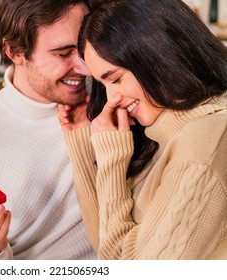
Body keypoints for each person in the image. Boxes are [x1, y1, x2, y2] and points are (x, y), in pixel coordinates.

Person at [58, 0, 227, 259]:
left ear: (157, 55)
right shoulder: (161, 135)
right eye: (103, 85)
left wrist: (113, 163)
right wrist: (84, 138)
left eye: (116, 79)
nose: (113, 97)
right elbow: (109, 250)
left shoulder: (202, 146)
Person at [0, 0, 97, 260]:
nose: (85, 67)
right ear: (14, 51)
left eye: (85, 47)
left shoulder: (114, 92)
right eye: (63, 53)